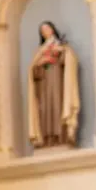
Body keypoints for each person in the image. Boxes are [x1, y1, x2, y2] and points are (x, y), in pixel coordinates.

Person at [28, 20, 80, 149]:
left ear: (52, 29)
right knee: (45, 109)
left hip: (58, 81)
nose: (45, 32)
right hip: (43, 84)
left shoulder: (61, 45)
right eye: (42, 31)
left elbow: (70, 62)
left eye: (47, 29)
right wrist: (40, 63)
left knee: (58, 106)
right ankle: (47, 138)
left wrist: (62, 52)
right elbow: (33, 71)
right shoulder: (40, 50)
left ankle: (61, 137)